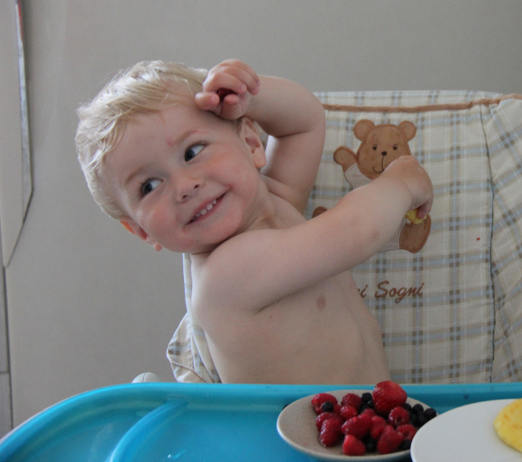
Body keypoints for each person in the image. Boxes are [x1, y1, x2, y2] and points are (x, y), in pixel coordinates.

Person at [75, 59, 433, 384]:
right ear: (141, 231)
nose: (184, 186)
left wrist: (250, 98)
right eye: (149, 186)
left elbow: (306, 123)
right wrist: (400, 185)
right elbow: (355, 233)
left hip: (371, 424)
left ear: (250, 142)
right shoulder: (225, 275)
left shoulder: (277, 201)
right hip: (295, 436)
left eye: (192, 152)